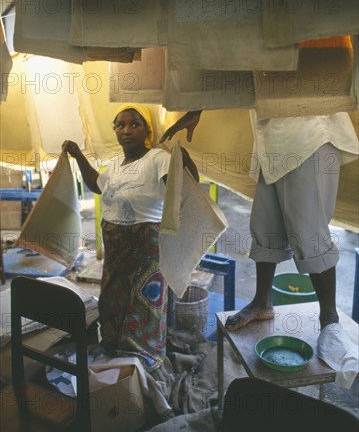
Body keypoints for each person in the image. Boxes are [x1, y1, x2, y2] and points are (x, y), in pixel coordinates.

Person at [160, 109, 359, 332]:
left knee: (309, 234)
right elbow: (240, 76)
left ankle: (329, 319)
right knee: (265, 226)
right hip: (272, 139)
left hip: (310, 135)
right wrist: (197, 108)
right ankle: (262, 302)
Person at [63, 103, 198, 373]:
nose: (127, 130)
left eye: (135, 124)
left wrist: (181, 155)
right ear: (114, 130)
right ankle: (114, 346)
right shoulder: (114, 165)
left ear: (147, 129)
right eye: (121, 125)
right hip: (116, 248)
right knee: (113, 298)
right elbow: (97, 185)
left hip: (146, 246)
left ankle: (145, 357)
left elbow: (186, 181)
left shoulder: (158, 158)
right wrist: (78, 155)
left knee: (144, 302)